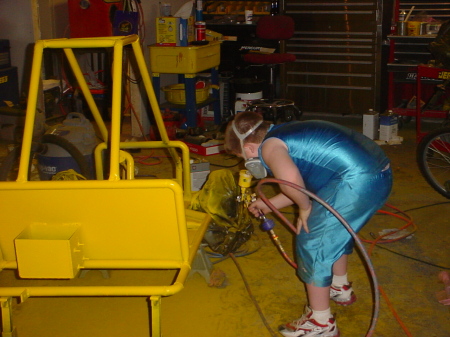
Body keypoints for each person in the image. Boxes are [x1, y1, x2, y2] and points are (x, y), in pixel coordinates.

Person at [224, 111, 392, 337]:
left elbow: (291, 182)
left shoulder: (269, 148)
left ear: (248, 148)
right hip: (375, 173)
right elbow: (301, 183)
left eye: (242, 157)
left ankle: (321, 322)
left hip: (356, 179)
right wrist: (268, 204)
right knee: (335, 232)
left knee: (313, 239)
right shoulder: (284, 134)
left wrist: (304, 208)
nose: (247, 162)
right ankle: (339, 287)